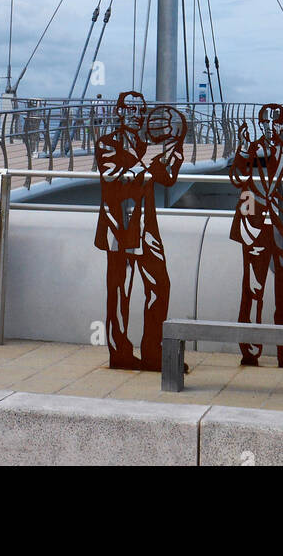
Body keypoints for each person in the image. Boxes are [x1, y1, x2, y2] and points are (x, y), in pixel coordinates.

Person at [94, 91, 186, 371]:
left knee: (160, 285)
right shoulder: (107, 143)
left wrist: (174, 152)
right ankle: (120, 353)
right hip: (119, 227)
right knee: (120, 291)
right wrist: (152, 163)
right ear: (119, 112)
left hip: (146, 228)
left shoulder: (149, 145)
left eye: (140, 110)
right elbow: (116, 179)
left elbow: (167, 179)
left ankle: (152, 352)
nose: (136, 114)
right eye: (130, 109)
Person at [228, 103, 283, 369]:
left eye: (275, 123)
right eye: (265, 122)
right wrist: (242, 151)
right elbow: (238, 179)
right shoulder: (251, 151)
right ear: (259, 123)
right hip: (255, 227)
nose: (270, 127)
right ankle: (250, 351)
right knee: (253, 289)